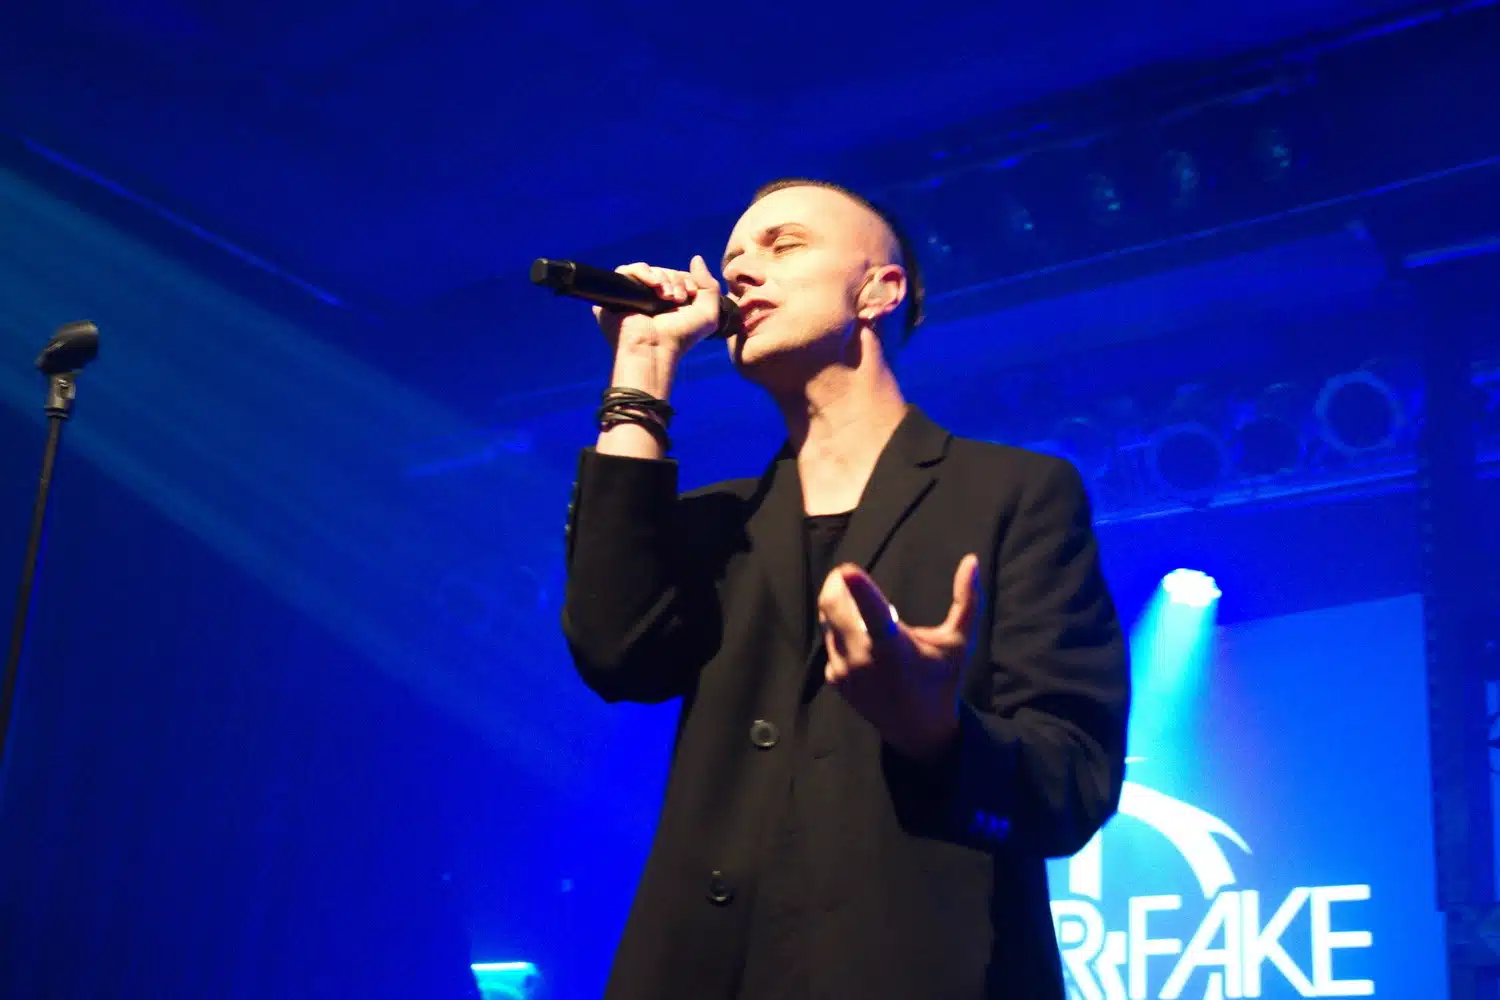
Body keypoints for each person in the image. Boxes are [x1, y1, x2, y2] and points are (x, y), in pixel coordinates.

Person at [561, 178, 1130, 1000]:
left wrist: (938, 732)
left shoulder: (1014, 493)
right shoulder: (718, 520)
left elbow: (1073, 785)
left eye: (782, 245)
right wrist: (642, 366)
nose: (739, 272)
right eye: (732, 258)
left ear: (879, 290)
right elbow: (614, 652)